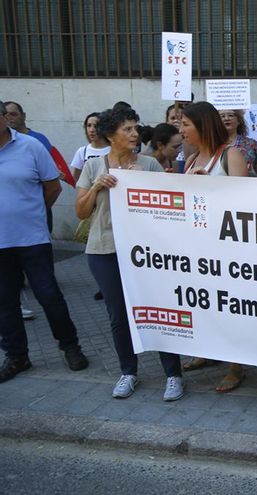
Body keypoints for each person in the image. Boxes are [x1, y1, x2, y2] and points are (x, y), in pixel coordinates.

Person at [73, 107, 183, 400]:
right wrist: (97, 187)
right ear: (111, 135)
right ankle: (128, 371)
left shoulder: (149, 165)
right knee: (118, 314)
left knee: (160, 309)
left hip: (147, 253)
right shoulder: (94, 167)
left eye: (136, 128)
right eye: (128, 130)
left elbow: (172, 208)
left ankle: (173, 374)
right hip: (104, 250)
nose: (135, 134)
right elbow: (81, 211)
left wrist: (147, 184)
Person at [0, 99, 89, 383]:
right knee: (5, 302)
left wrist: (34, 213)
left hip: (32, 239)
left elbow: (52, 187)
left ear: (4, 119)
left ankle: (70, 347)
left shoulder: (30, 146)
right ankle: (17, 356)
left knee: (49, 295)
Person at [178, 101, 249, 392]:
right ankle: (206, 350)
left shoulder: (230, 155)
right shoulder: (192, 159)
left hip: (228, 249)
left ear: (202, 126)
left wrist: (211, 188)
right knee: (205, 302)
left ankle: (236, 366)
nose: (180, 130)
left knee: (230, 307)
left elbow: (246, 201)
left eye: (185, 124)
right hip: (200, 247)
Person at [219, 109, 257, 177]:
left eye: (231, 115)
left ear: (239, 121)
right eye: (222, 116)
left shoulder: (251, 144)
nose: (226, 118)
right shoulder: (212, 144)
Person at [70, 112, 111, 181]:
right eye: (89, 126)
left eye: (96, 126)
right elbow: (76, 178)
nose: (91, 130)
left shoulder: (113, 149)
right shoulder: (82, 151)